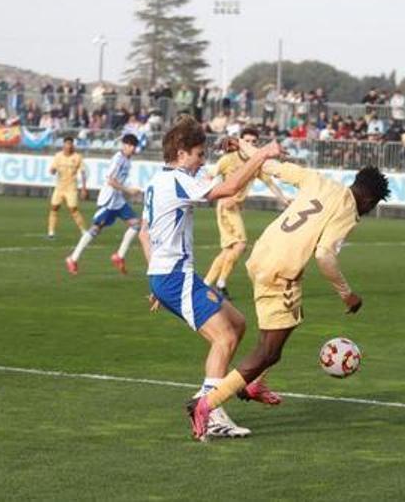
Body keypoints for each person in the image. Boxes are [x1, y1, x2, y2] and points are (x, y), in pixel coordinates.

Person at [185, 152, 391, 441]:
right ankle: (206, 405)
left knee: (290, 320)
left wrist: (247, 149)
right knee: (269, 351)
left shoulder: (320, 181)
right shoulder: (348, 210)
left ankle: (255, 384)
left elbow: (273, 167)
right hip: (280, 272)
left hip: (262, 256)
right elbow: (325, 256)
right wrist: (347, 294)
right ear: (369, 201)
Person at [141, 116, 286, 439]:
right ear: (181, 154)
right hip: (174, 276)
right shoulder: (178, 179)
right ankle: (211, 409)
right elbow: (229, 187)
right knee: (225, 337)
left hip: (169, 275)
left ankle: (226, 390)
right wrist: (263, 154)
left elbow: (143, 233)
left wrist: (154, 276)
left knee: (237, 323)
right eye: (198, 154)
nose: (201, 161)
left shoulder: (157, 180)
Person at [204, 128, 291, 300]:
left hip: (236, 207)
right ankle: (220, 284)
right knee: (241, 245)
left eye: (254, 142)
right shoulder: (228, 159)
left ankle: (207, 284)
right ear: (240, 142)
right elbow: (209, 176)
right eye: (247, 141)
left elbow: (270, 183)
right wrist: (219, 195)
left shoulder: (256, 162)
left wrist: (284, 200)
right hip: (226, 207)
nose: (250, 144)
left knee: (228, 250)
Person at [66, 134, 141, 275]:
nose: (132, 148)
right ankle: (72, 258)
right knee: (96, 229)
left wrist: (130, 190)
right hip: (109, 200)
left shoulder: (127, 160)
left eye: (134, 146)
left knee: (137, 225)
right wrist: (128, 191)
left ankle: (119, 256)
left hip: (118, 200)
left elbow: (120, 180)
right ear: (124, 145)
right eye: (130, 145)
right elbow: (110, 180)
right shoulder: (118, 159)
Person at [47, 136, 88, 239]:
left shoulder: (77, 157)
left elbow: (83, 173)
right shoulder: (58, 156)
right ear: (64, 145)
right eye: (67, 144)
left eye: (70, 144)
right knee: (54, 207)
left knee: (73, 209)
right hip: (59, 187)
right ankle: (51, 232)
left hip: (71, 187)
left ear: (72, 145)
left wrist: (83, 188)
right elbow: (52, 169)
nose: (69, 146)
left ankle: (84, 231)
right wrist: (52, 171)